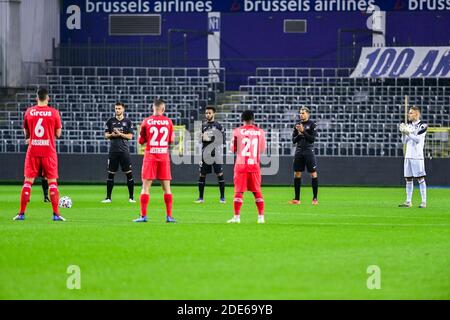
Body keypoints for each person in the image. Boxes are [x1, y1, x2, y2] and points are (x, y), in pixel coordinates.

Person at [13, 87, 65, 221]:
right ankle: (56, 215)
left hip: (33, 151)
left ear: (37, 98)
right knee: (52, 182)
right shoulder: (54, 112)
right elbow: (58, 134)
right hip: (49, 151)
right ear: (48, 98)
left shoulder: (29, 112)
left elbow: (26, 133)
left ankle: (21, 214)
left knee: (27, 182)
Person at [133, 99, 176, 223]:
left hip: (150, 156)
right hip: (163, 156)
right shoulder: (168, 122)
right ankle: (169, 216)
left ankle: (143, 216)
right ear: (163, 109)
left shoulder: (146, 121)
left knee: (145, 187)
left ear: (153, 108)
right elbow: (171, 140)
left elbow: (140, 141)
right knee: (167, 188)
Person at [227, 110, 266, 224]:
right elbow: (262, 149)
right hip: (254, 165)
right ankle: (261, 218)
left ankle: (237, 217)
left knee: (239, 191)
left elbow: (232, 149)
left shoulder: (237, 131)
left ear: (242, 119)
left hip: (241, 166)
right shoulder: (260, 132)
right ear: (253, 119)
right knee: (257, 191)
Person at [102, 102, 135, 203]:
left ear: (123, 109)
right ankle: (108, 198)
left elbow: (130, 136)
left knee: (129, 174)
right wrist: (112, 134)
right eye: (116, 108)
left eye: (119, 108)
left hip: (124, 151)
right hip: (113, 151)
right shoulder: (110, 121)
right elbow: (106, 135)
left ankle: (131, 197)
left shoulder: (128, 121)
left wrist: (120, 134)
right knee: (111, 174)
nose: (117, 110)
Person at [195, 106, 226, 204]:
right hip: (205, 154)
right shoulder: (203, 125)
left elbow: (222, 140)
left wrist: (210, 138)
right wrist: (201, 137)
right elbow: (200, 139)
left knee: (220, 174)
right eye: (206, 113)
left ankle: (222, 197)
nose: (207, 115)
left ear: (214, 114)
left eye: (209, 113)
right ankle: (200, 198)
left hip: (215, 153)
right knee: (202, 175)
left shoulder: (218, 125)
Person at [289, 106, 319, 205]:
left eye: (303, 113)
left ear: (308, 114)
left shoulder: (312, 124)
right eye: (300, 113)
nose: (301, 115)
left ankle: (315, 198)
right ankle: (297, 199)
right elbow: (294, 140)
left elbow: (312, 139)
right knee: (297, 173)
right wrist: (299, 134)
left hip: (309, 150)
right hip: (299, 151)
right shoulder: (297, 124)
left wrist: (303, 132)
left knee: (313, 173)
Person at [399, 106, 428, 208]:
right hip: (408, 156)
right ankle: (408, 201)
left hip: (417, 156)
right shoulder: (409, 125)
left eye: (411, 113)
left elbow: (417, 140)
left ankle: (424, 202)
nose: (409, 115)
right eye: (409, 113)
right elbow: (404, 141)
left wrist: (407, 132)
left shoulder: (423, 125)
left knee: (420, 178)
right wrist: (403, 133)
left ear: (417, 113)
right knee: (408, 179)